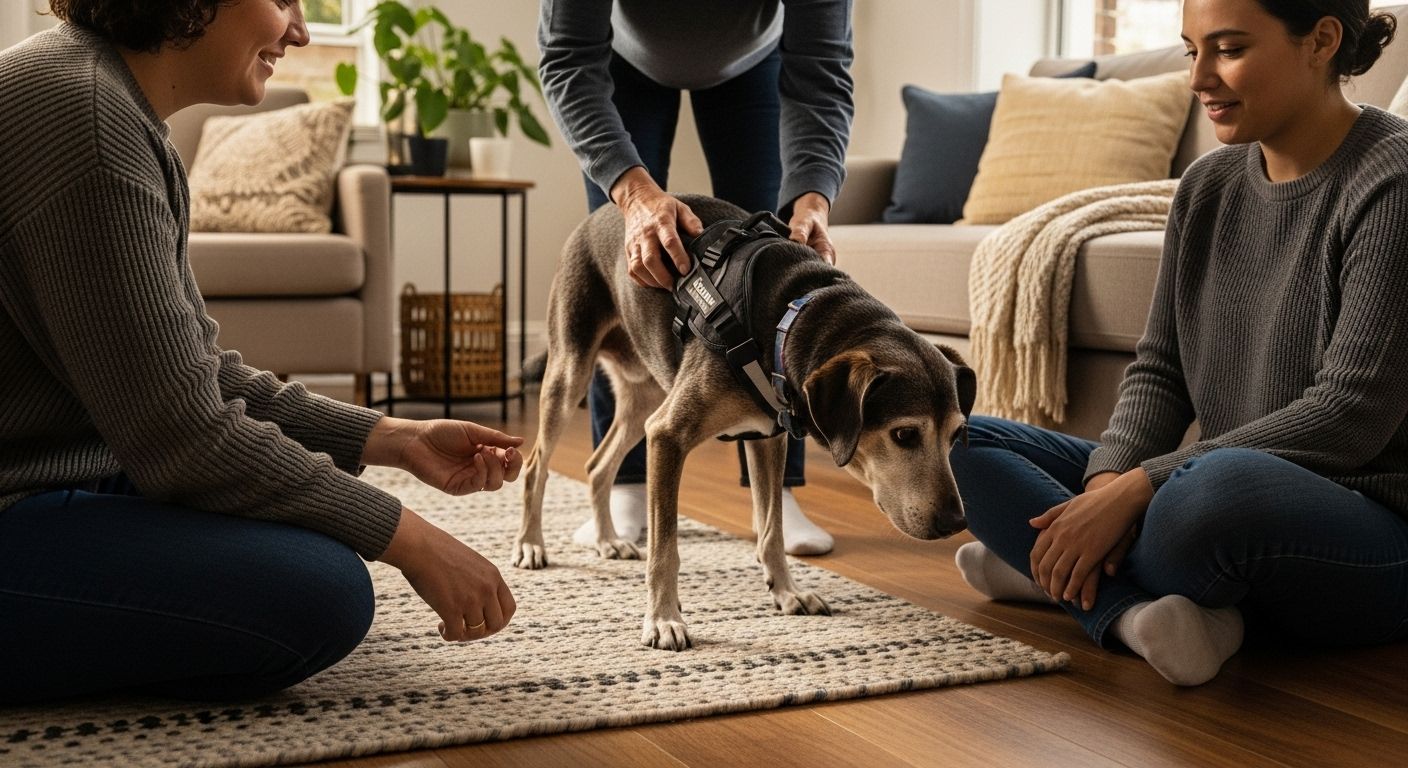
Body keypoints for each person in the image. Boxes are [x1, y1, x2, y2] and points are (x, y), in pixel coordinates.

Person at [0, 0, 524, 705]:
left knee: (303, 532)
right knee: (318, 593)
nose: (300, 31)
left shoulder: (101, 97)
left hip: (58, 468)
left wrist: (396, 440)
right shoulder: (89, 125)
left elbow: (194, 373)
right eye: (282, 1)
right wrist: (413, 539)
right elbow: (183, 435)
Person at [949, 0, 1408, 687]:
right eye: (1193, 50)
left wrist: (1141, 488)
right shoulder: (1207, 184)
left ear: (1320, 41)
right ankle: (1131, 612)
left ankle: (1046, 569)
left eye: (1229, 49)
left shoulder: (1392, 179)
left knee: (1205, 497)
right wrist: (1107, 485)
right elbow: (1160, 369)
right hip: (1207, 487)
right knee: (955, 442)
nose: (1199, 78)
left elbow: (1350, 413)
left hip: (1368, 525)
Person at [537, 0, 855, 556]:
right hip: (622, 58)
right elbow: (567, 57)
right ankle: (626, 481)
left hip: (753, 60)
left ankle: (776, 495)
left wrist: (814, 198)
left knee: (774, 269)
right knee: (632, 265)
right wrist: (632, 194)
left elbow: (821, 70)